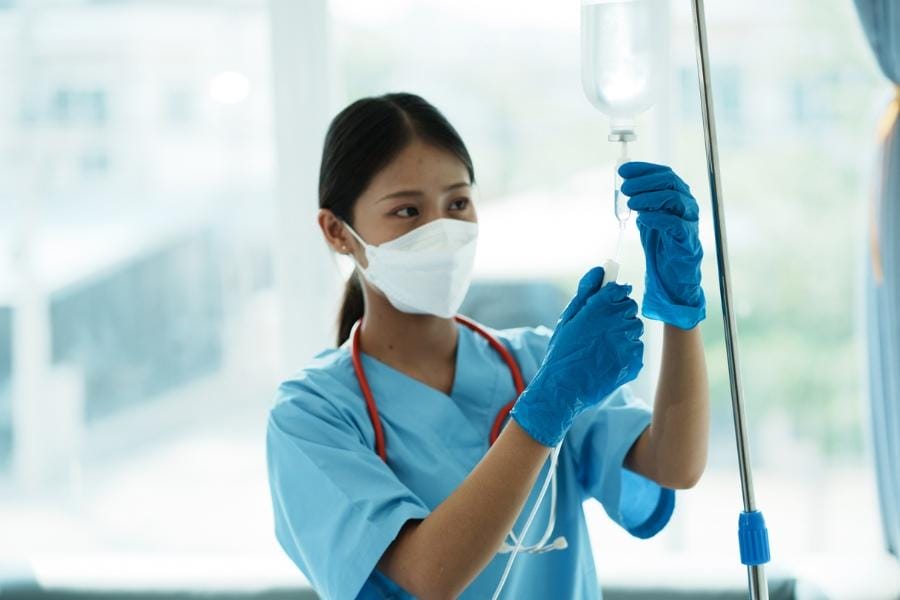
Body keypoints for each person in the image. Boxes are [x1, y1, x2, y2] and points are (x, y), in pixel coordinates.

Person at [265, 92, 710, 599]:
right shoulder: (311, 416)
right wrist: (545, 412)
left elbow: (675, 464)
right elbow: (430, 577)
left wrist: (680, 310)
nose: (442, 231)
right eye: (407, 211)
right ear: (337, 232)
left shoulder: (539, 362)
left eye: (457, 203)